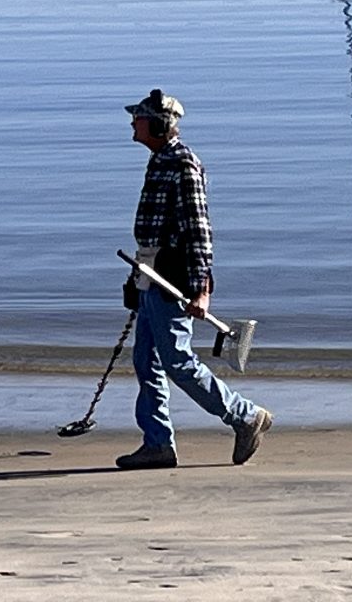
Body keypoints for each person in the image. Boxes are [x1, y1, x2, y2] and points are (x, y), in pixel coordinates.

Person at [117, 89, 272, 470]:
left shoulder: (183, 165)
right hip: (151, 275)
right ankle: (157, 444)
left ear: (158, 125)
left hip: (173, 279)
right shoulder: (159, 161)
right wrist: (137, 278)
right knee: (146, 360)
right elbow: (154, 230)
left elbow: (199, 232)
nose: (132, 123)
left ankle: (245, 416)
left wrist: (201, 289)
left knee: (178, 362)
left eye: (139, 118)